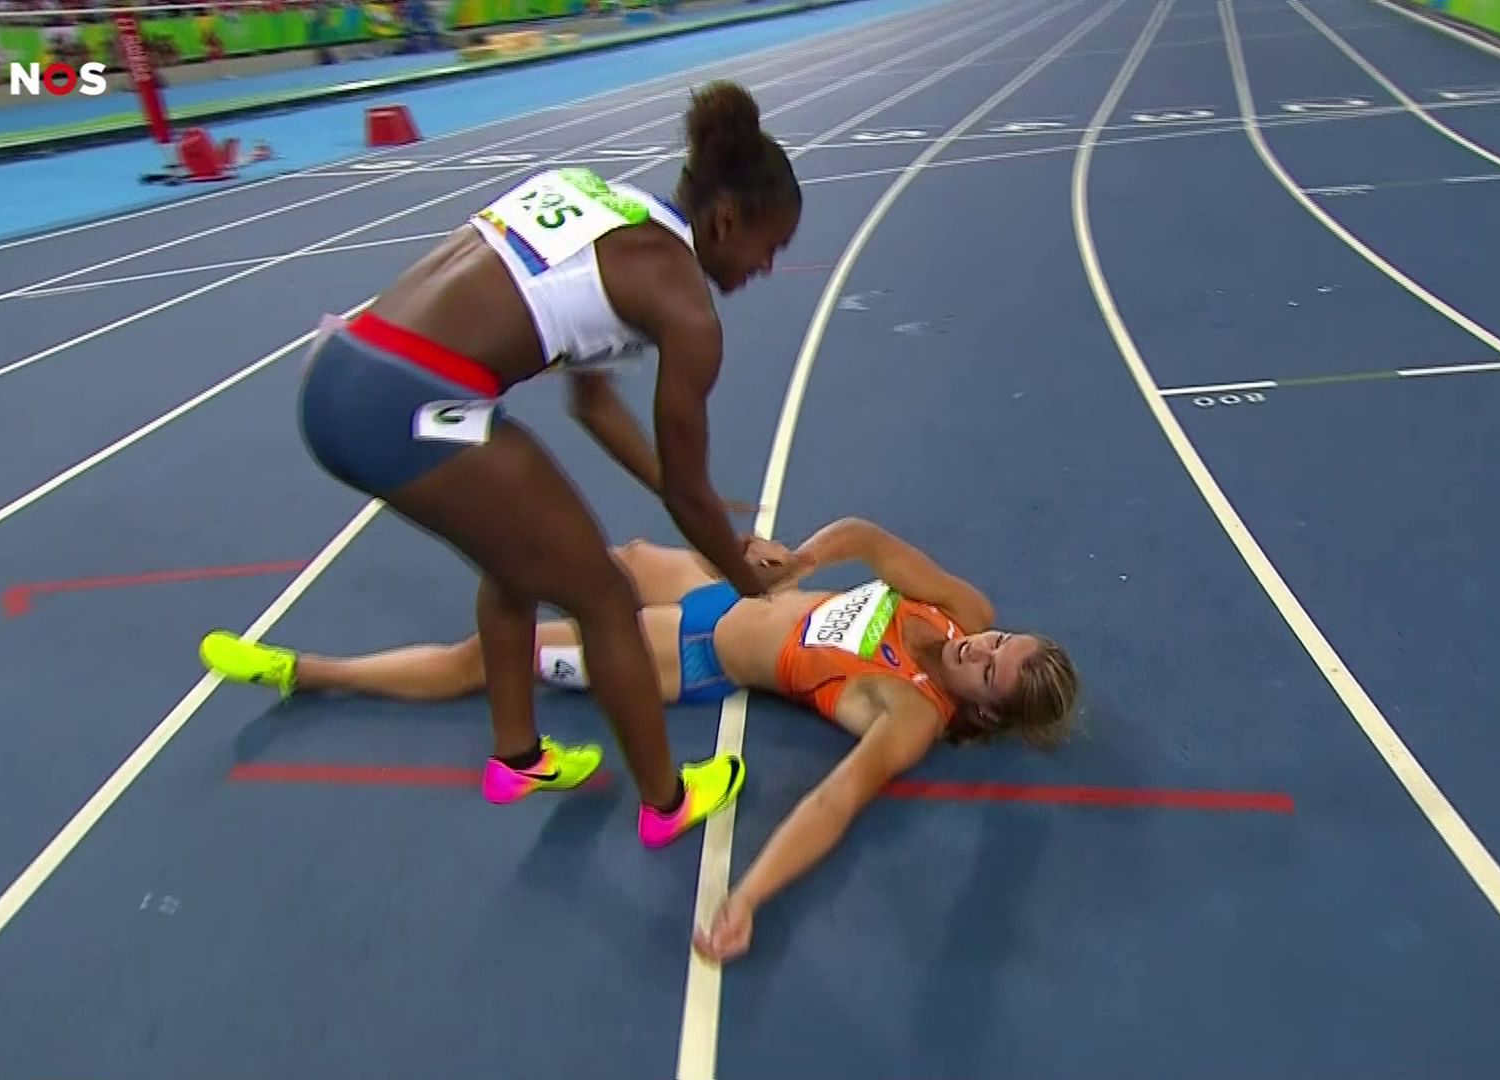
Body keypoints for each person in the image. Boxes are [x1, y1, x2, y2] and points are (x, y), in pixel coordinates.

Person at [289, 80, 805, 849]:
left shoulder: (606, 204)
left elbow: (593, 404)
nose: (767, 267)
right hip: (403, 402)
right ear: (726, 220)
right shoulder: (686, 308)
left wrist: (692, 507)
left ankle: (518, 758)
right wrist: (744, 580)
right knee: (606, 596)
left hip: (345, 366)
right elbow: (688, 491)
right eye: (771, 248)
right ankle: (666, 802)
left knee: (523, 553)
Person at [199, 516, 1082, 962]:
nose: (982, 648)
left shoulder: (912, 715)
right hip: (722, 589)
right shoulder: (962, 611)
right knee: (596, 555)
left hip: (688, 650)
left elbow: (833, 803)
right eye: (1001, 642)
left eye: (990, 671)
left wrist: (749, 896)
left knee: (489, 657)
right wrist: (798, 563)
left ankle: (306, 671)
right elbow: (865, 537)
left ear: (983, 712)